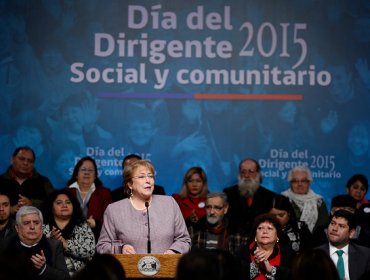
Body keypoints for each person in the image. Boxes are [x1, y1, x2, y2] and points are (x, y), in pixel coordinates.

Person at [96, 160, 191, 254]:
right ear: (130, 184)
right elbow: (102, 246)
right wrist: (121, 249)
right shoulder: (114, 210)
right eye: (141, 177)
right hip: (129, 268)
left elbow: (184, 239)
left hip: (166, 267)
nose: (148, 180)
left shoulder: (170, 203)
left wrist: (173, 251)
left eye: (150, 176)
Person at [0, 206, 70, 280]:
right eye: (27, 223)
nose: (32, 227)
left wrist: (44, 269)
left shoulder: (54, 246)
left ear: (41, 226)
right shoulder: (4, 245)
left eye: (36, 223)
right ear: (17, 228)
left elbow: (65, 278)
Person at [42, 189, 95, 275]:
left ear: (73, 206)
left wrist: (66, 244)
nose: (64, 205)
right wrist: (51, 241)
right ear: (51, 207)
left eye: (68, 202)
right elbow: (36, 251)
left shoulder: (83, 226)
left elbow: (90, 252)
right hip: (51, 273)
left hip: (78, 274)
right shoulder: (43, 227)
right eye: (59, 203)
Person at [223, 158, 276, 235]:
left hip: (260, 240)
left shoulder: (269, 196)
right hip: (234, 239)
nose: (246, 175)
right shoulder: (229, 193)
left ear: (258, 174)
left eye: (250, 172)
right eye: (243, 172)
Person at [65, 156, 112, 239]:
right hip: (69, 237)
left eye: (90, 170)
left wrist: (96, 223)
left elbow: (110, 218)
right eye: (83, 169)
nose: (87, 173)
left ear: (95, 175)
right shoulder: (66, 193)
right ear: (76, 174)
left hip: (96, 237)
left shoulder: (104, 193)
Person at [316, 210, 370, 280]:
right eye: (332, 223)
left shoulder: (366, 254)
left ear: (351, 233)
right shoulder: (315, 255)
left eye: (341, 226)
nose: (334, 229)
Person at [238, 213, 294, 280]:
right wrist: (255, 266)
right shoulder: (242, 252)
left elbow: (293, 276)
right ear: (255, 235)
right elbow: (235, 275)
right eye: (260, 228)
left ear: (277, 236)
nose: (264, 231)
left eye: (270, 228)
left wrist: (271, 270)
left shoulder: (288, 253)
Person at [0, 146, 54, 214]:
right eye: (22, 159)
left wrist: (32, 204)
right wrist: (8, 210)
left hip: (36, 223)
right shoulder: (1, 180)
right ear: (12, 159)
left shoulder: (43, 181)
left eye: (30, 161)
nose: (25, 163)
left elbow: (54, 204)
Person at [281, 166, 329, 233]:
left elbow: (323, 226)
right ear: (290, 183)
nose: (299, 184)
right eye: (295, 181)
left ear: (309, 182)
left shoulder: (318, 201)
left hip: (315, 241)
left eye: (303, 181)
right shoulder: (282, 199)